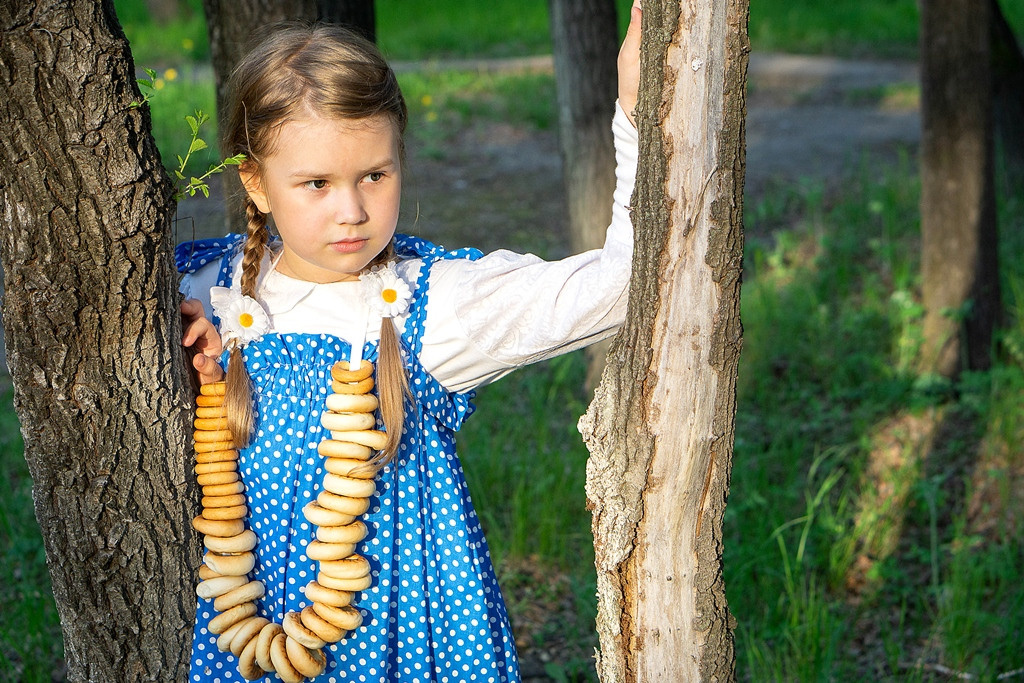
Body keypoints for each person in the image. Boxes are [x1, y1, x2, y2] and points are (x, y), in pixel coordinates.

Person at [178, 4, 641, 681]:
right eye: (316, 184)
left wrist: (631, 111)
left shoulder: (440, 305)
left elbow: (621, 285)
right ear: (255, 181)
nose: (353, 210)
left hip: (403, 637)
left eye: (375, 174)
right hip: (246, 631)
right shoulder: (208, 284)